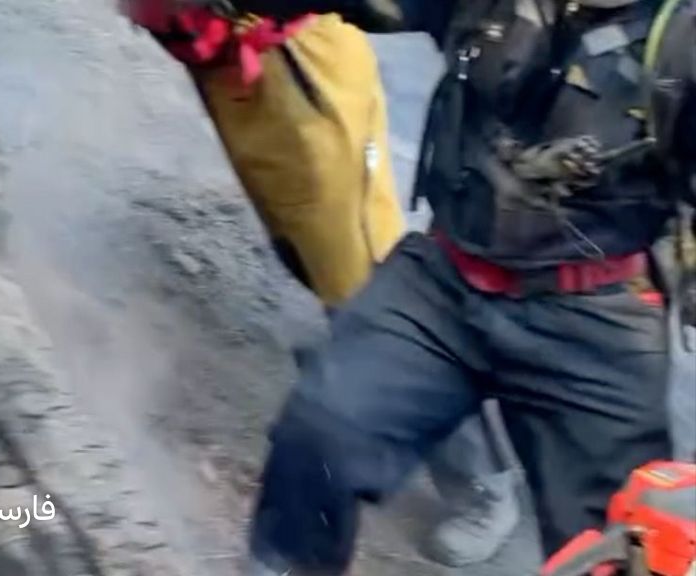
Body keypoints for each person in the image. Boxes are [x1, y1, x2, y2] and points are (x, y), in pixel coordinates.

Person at [198, 0, 695, 574]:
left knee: (632, 539)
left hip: (596, 318)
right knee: (320, 436)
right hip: (445, 277)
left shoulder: (682, 42)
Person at [125, 2, 523, 565]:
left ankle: (482, 481)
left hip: (292, 64)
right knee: (305, 244)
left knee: (373, 285)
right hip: (226, 63)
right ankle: (353, 367)